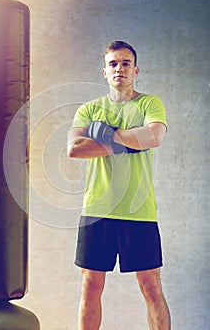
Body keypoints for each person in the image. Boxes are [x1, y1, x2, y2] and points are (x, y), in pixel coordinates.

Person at [67, 40, 171, 330]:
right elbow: (75, 148)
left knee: (151, 288)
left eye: (126, 63)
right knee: (90, 287)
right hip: (97, 210)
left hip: (138, 210)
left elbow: (155, 137)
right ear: (104, 71)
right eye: (113, 63)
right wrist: (129, 143)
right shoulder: (89, 109)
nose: (119, 68)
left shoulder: (150, 103)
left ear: (135, 69)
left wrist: (105, 136)